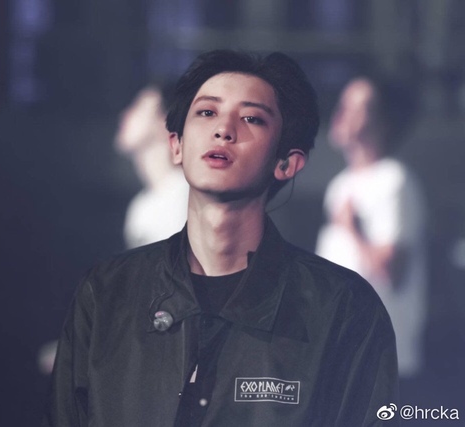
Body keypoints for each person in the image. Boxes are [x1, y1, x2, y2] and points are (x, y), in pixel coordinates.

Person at [44, 51, 398, 426]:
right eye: (207, 112)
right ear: (176, 145)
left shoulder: (343, 309)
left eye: (251, 118)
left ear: (286, 162)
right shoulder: (105, 294)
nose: (223, 129)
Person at [316, 77, 427, 380]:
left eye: (359, 107)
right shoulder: (341, 184)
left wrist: (352, 228)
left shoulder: (394, 180)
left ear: (384, 123)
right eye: (343, 104)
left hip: (379, 359)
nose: (343, 113)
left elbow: (392, 271)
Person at [115, 84, 189, 249]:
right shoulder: (141, 206)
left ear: (165, 124)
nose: (125, 115)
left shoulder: (187, 199)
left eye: (137, 107)